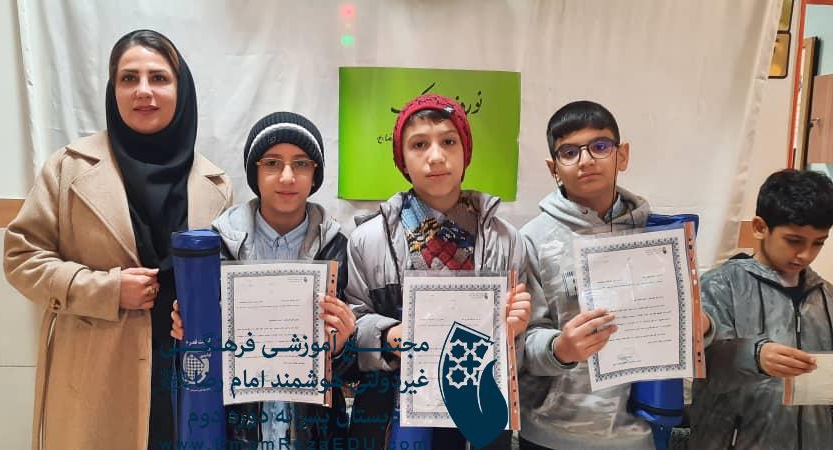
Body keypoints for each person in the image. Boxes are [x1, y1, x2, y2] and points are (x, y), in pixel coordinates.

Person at [3, 29, 232, 450]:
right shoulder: (69, 169)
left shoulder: (215, 186)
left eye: (158, 78)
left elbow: (226, 284)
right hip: (97, 380)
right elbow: (22, 259)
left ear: (181, 89)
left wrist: (208, 313)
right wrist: (106, 289)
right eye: (129, 78)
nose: (143, 91)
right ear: (113, 91)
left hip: (188, 379)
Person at [345, 93, 535, 449]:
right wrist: (387, 336)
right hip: (390, 413)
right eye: (419, 145)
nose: (435, 156)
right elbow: (350, 329)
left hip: (478, 411)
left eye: (448, 141)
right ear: (402, 159)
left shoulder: (506, 240)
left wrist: (514, 329)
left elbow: (517, 358)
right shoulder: (368, 240)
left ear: (466, 153)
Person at [519, 100, 712, 450]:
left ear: (622, 155)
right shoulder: (532, 239)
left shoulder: (660, 236)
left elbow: (690, 327)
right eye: (569, 152)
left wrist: (702, 326)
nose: (586, 160)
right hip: (553, 433)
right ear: (553, 168)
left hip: (638, 433)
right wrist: (561, 348)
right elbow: (521, 343)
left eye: (600, 146)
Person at [170, 111, 357, 448]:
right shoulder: (216, 249)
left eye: (301, 164)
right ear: (254, 172)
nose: (287, 176)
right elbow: (200, 366)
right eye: (271, 163)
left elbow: (353, 371)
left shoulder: (340, 250)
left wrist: (343, 345)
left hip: (314, 434)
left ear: (315, 173)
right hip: (238, 432)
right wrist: (190, 331)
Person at [690, 169, 833, 450]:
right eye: (794, 241)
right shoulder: (721, 286)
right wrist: (754, 357)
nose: (806, 254)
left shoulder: (826, 296)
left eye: (818, 243)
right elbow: (702, 365)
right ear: (759, 227)